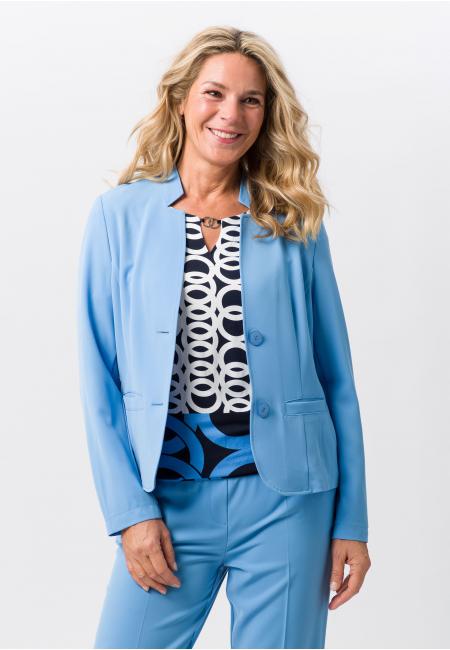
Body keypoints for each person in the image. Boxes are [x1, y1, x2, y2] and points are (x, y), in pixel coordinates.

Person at [77, 25, 371, 649]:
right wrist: (130, 513)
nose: (230, 114)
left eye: (250, 100)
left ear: (266, 115)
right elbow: (99, 381)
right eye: (214, 93)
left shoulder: (291, 221)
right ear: (182, 99)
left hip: (288, 502)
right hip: (168, 500)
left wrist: (352, 520)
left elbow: (337, 378)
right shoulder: (118, 218)